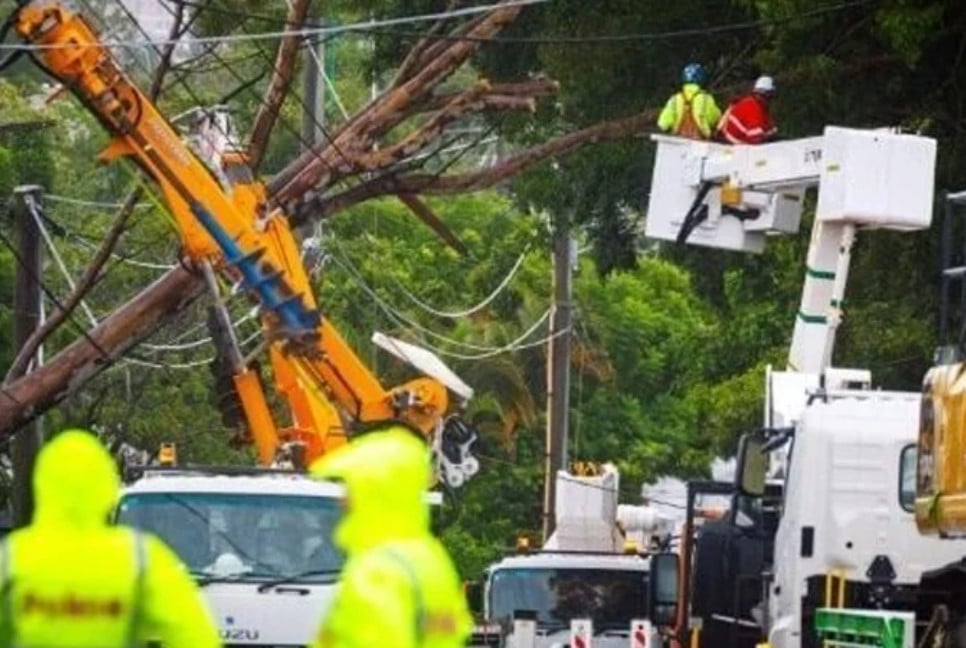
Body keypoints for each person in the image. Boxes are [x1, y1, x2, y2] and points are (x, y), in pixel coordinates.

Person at [0, 429, 220, 647]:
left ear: (41, 484)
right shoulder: (141, 558)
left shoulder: (12, 557)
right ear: (105, 484)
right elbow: (196, 639)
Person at [309, 424, 472, 648]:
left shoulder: (378, 571)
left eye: (353, 485)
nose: (343, 498)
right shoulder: (430, 559)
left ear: (375, 490)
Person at [657, 62, 722, 140]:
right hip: (701, 144)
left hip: (677, 143)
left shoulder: (674, 99)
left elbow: (662, 124)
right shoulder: (706, 99)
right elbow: (716, 119)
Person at [717, 75, 778, 145]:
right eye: (771, 96)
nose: (772, 100)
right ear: (766, 95)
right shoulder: (753, 108)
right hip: (734, 147)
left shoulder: (759, 106)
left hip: (738, 144)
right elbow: (756, 139)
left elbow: (770, 130)